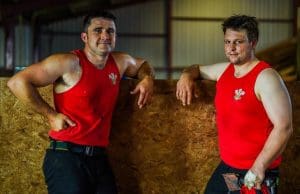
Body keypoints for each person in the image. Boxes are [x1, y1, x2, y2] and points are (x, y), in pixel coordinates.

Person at [7, 10, 154, 194]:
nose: (105, 36)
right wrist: (50, 115)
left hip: (99, 158)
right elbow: (17, 82)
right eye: (98, 30)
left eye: (110, 31)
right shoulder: (68, 62)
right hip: (66, 156)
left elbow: (143, 65)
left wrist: (147, 79)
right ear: (84, 36)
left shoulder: (120, 61)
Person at [176, 15, 293, 194]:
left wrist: (259, 167)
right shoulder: (224, 71)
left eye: (238, 42)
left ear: (253, 43)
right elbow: (196, 68)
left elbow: (284, 127)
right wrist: (186, 75)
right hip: (229, 168)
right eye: (227, 42)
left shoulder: (266, 77)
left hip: (257, 171)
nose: (231, 48)